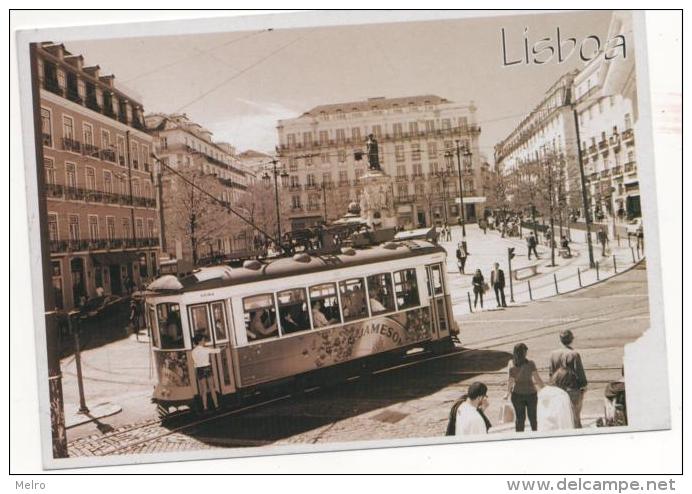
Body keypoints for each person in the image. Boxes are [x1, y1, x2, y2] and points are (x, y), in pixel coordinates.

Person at [549, 330, 588, 428]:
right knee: (575, 418)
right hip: (573, 390)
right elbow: (579, 372)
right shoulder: (574, 354)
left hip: (558, 390)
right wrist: (583, 387)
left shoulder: (553, 354)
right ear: (571, 340)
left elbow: (551, 373)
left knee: (561, 417)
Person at [505, 343, 544, 432]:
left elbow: (510, 380)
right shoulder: (531, 363)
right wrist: (545, 389)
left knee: (520, 419)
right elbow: (537, 379)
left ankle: (520, 439)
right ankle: (535, 436)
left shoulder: (511, 364)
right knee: (533, 419)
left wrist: (507, 393)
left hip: (517, 395)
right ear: (524, 353)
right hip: (531, 394)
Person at [191, 334, 219, 411]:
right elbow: (217, 351)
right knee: (212, 388)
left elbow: (195, 363)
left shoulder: (193, 351)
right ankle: (216, 405)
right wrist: (224, 347)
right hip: (207, 369)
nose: (204, 342)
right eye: (203, 340)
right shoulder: (205, 349)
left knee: (203, 390)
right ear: (200, 341)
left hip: (199, 369)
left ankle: (205, 407)